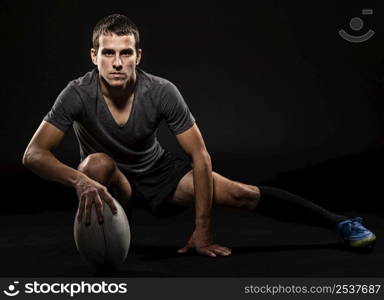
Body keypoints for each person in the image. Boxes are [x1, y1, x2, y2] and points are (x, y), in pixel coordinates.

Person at [22, 14, 376, 258]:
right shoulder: (77, 93)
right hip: (114, 182)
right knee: (94, 166)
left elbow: (200, 156)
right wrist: (80, 182)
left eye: (125, 53)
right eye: (108, 53)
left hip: (161, 176)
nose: (117, 62)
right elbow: (34, 154)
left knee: (239, 193)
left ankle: (341, 224)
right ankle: (103, 254)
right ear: (94, 56)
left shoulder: (161, 91)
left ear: (137, 56)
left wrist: (202, 229)